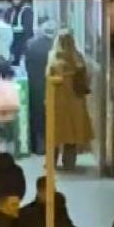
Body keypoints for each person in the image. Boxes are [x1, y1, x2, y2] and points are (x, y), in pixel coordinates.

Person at [46, 29, 94, 171]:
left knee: (55, 135)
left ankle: (51, 163)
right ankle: (69, 163)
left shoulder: (53, 58)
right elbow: (87, 78)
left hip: (57, 102)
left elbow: (48, 78)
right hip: (75, 102)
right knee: (72, 135)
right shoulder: (78, 58)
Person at [22, 20, 56, 155]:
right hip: (51, 85)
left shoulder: (31, 44)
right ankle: (49, 146)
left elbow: (26, 64)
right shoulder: (54, 47)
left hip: (34, 84)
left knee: (36, 115)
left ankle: (37, 146)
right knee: (49, 116)